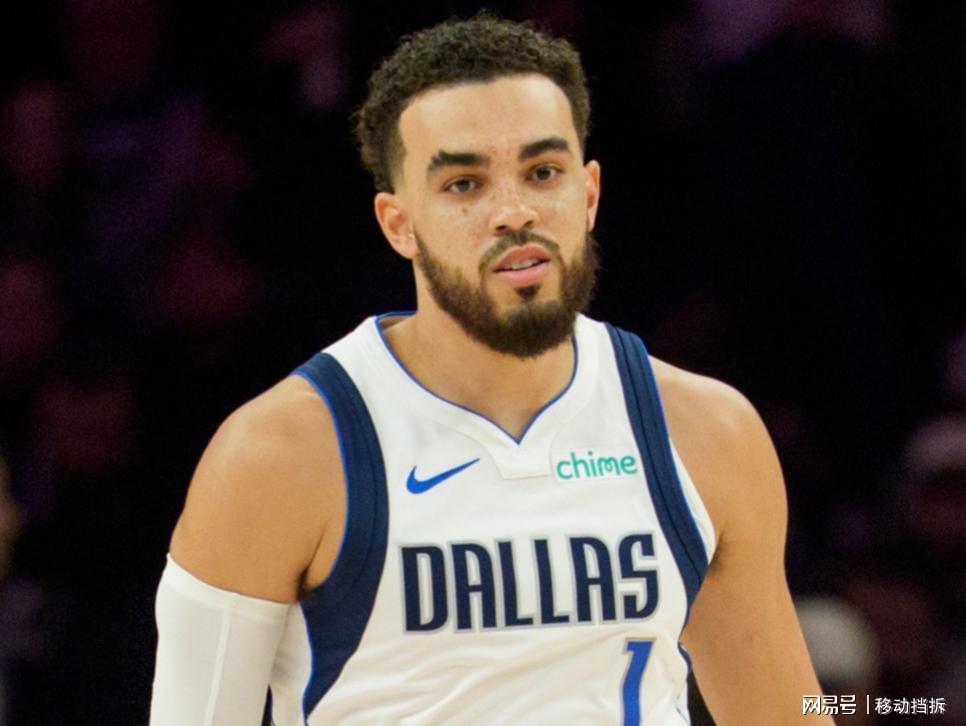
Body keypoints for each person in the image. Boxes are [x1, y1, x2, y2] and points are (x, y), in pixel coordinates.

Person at [150, 14, 828, 725]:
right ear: (398, 223)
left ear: (589, 194)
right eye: (465, 184)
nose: (513, 212)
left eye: (543, 173)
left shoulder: (707, 433)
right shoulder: (278, 455)